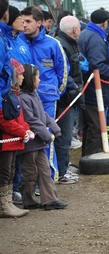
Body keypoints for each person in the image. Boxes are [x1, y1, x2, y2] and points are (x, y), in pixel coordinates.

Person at [20, 6, 68, 179]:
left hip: (47, 100)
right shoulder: (19, 42)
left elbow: (62, 72)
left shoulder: (53, 44)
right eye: (22, 21)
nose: (24, 25)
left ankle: (47, 178)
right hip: (22, 100)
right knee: (24, 137)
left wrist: (53, 93)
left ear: (39, 23)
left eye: (28, 21)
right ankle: (27, 181)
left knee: (46, 136)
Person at [78, 9, 109, 156]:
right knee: (96, 125)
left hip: (87, 86)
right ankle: (94, 157)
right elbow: (98, 66)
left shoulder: (85, 34)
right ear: (105, 23)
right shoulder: (96, 38)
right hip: (94, 89)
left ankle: (87, 156)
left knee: (89, 124)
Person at [18, 64, 68, 210]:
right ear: (29, 79)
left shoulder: (34, 95)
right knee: (30, 171)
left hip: (39, 142)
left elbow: (43, 115)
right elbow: (32, 120)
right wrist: (47, 135)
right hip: (30, 143)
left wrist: (55, 128)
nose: (39, 80)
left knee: (45, 170)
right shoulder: (23, 98)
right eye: (37, 77)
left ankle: (50, 199)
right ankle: (29, 199)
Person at [0, 0, 31, 217]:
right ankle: (5, 204)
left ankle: (8, 201)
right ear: (6, 15)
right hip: (4, 104)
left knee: (9, 167)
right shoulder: (3, 40)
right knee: (5, 167)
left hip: (8, 101)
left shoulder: (15, 40)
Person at [54, 15, 84, 184]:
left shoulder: (68, 44)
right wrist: (75, 89)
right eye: (79, 27)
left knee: (65, 136)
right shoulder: (62, 45)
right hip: (66, 99)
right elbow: (63, 73)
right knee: (63, 137)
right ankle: (61, 172)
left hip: (70, 96)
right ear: (74, 30)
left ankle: (63, 167)